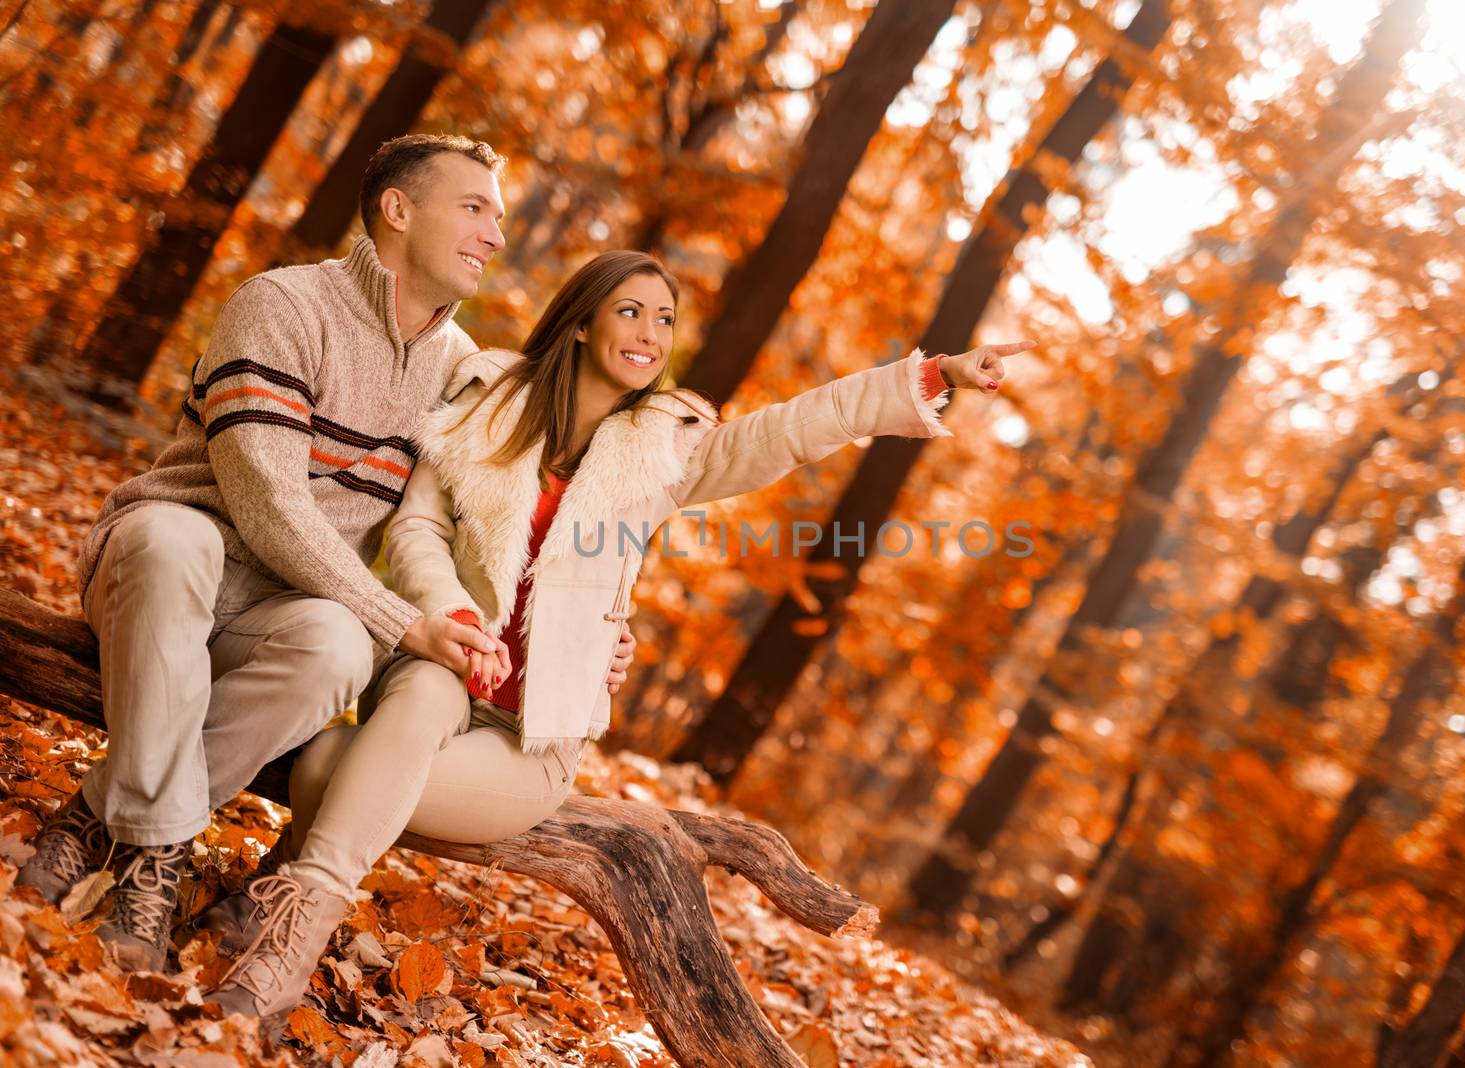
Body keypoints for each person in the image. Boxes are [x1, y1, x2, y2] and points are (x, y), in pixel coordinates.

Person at [198, 247, 1029, 1030]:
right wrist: (452, 616)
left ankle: (282, 914)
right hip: (441, 675)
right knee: (418, 690)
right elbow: (417, 531)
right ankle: (286, 944)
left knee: (328, 765)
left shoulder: (665, 450)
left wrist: (934, 376)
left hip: (531, 739)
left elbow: (792, 428)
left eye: (664, 320)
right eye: (630, 311)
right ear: (585, 322)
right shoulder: (485, 401)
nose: (648, 334)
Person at [16, 134, 636, 971]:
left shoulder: (463, 376)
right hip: (161, 570)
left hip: (284, 612)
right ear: (397, 208)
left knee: (339, 646)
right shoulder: (281, 305)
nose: (496, 234)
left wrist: (586, 627)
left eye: (498, 216)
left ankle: (94, 818)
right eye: (475, 208)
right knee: (175, 540)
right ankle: (156, 857)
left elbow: (494, 521)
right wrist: (398, 618)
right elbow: (266, 503)